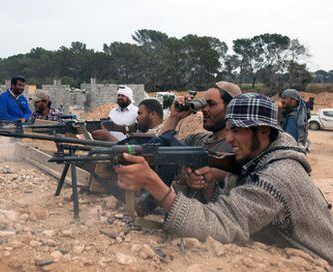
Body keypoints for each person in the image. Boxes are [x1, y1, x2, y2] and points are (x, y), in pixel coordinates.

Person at [114, 93, 333, 264]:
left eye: (237, 130)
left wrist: (152, 183)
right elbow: (240, 208)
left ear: (264, 132)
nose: (229, 139)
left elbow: (219, 223)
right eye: (228, 130)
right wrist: (210, 188)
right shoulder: (258, 158)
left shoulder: (278, 177)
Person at [159, 81, 242, 201]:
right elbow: (161, 147)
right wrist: (174, 117)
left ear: (231, 109)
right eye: (203, 104)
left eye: (211, 104)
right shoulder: (196, 140)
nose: (204, 109)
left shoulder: (239, 148)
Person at [92, 98, 164, 142]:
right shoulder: (150, 131)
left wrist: (108, 136)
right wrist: (123, 129)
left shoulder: (157, 135)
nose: (137, 117)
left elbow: (128, 151)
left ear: (152, 114)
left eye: (140, 113)